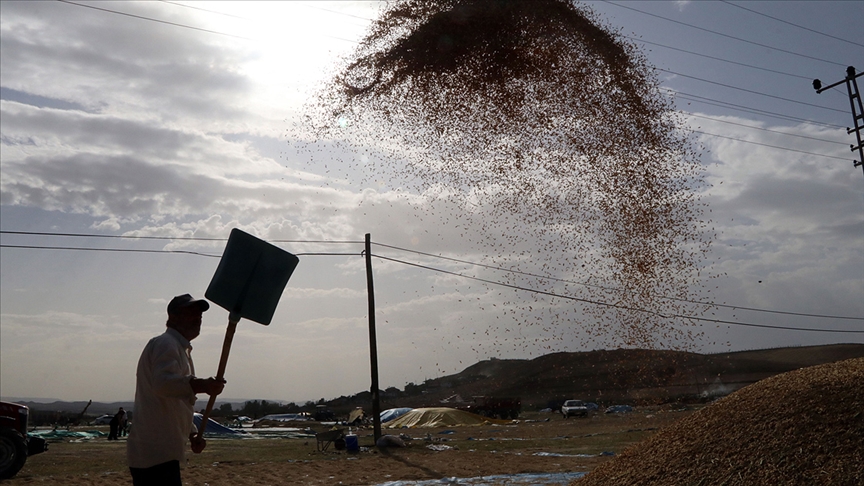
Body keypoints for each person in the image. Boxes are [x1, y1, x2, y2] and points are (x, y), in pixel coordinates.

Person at [127, 294, 225, 486]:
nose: (198, 318)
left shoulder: (180, 349)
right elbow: (163, 384)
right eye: (191, 312)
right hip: (154, 453)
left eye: (200, 314)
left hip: (161, 453)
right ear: (173, 317)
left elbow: (177, 402)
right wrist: (201, 385)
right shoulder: (166, 343)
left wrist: (192, 433)